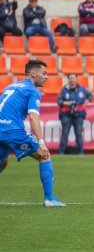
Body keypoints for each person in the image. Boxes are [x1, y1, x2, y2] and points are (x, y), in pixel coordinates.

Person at [0, 60, 66, 207]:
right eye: (44, 73)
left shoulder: (12, 86)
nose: (47, 77)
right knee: (44, 156)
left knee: (2, 163)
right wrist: (41, 142)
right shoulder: (32, 91)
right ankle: (49, 199)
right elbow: (33, 117)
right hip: (12, 131)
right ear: (33, 74)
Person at [57, 74, 93, 155]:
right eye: (70, 78)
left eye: (73, 78)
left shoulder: (82, 89)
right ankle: (61, 152)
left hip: (79, 114)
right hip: (66, 114)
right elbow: (59, 101)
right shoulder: (63, 90)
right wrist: (65, 103)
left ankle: (81, 152)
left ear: (76, 79)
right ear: (68, 80)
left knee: (79, 133)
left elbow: (91, 95)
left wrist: (87, 101)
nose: (72, 80)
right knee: (65, 133)